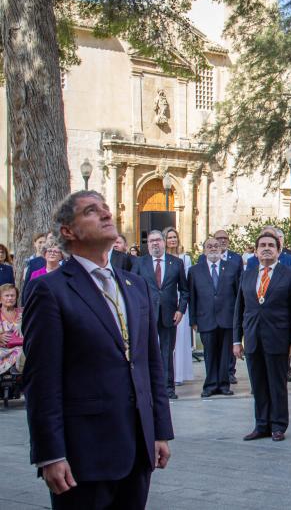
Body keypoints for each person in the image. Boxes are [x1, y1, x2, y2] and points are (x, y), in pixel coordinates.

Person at [23, 191, 172, 509]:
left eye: (106, 209)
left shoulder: (136, 286)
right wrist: (50, 453)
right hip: (83, 455)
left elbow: (150, 364)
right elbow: (41, 379)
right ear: (68, 231)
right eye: (92, 211)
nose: (106, 214)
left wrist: (159, 430)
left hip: (137, 449)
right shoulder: (50, 290)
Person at [233, 232, 291, 441]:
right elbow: (239, 309)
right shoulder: (247, 275)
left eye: (271, 245)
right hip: (253, 339)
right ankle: (261, 424)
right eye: (262, 245)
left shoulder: (289, 274)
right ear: (255, 251)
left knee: (277, 384)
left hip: (278, 339)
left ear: (278, 250)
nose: (266, 248)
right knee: (258, 384)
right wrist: (237, 340)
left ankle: (278, 425)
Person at [132, 230, 189, 400]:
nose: (155, 244)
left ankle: (167, 389)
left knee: (166, 352)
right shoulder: (140, 263)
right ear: (147, 244)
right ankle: (148, 388)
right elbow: (132, 288)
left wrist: (180, 310)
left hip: (169, 315)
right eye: (151, 241)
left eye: (157, 240)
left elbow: (184, 291)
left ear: (164, 242)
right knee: (146, 352)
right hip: (146, 315)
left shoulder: (176, 263)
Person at [188, 237, 240, 397]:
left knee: (226, 355)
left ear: (221, 249)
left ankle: (224, 385)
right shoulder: (195, 270)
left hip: (227, 318)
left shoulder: (232, 267)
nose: (213, 249)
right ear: (204, 250)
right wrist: (193, 320)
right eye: (209, 246)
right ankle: (210, 385)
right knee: (209, 354)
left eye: (216, 246)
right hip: (206, 318)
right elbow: (192, 297)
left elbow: (238, 295)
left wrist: (238, 319)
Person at [164, 227, 194, 386]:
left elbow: (186, 282)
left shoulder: (184, 258)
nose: (172, 240)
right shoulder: (161, 257)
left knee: (180, 338)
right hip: (165, 300)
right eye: (169, 237)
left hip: (180, 302)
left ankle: (179, 374)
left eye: (174, 237)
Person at [0, 284, 24, 374]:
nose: (10, 298)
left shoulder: (23, 312)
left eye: (12, 295)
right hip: (2, 350)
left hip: (21, 349)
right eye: (6, 295)